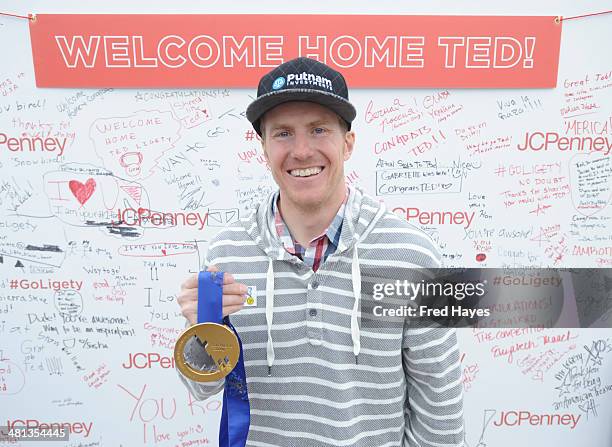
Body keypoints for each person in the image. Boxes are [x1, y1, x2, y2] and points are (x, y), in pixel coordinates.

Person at [177, 57, 464, 447]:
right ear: (262, 147)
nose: (301, 150)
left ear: (348, 143)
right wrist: (201, 334)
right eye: (282, 133)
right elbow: (201, 387)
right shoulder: (227, 252)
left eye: (319, 129)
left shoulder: (414, 254)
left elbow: (440, 404)